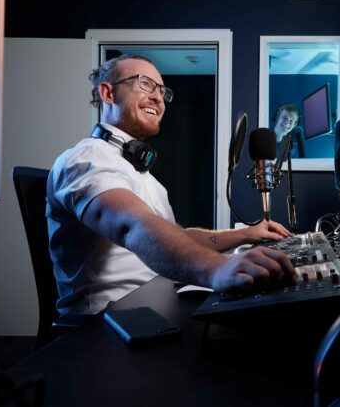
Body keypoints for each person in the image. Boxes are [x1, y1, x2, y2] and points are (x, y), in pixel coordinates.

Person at [47, 54, 296, 315]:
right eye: (144, 84)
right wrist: (217, 269)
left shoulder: (145, 178)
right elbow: (133, 227)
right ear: (108, 93)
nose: (158, 97)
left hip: (155, 305)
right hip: (104, 326)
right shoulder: (86, 158)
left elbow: (176, 239)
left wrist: (246, 233)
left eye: (162, 91)